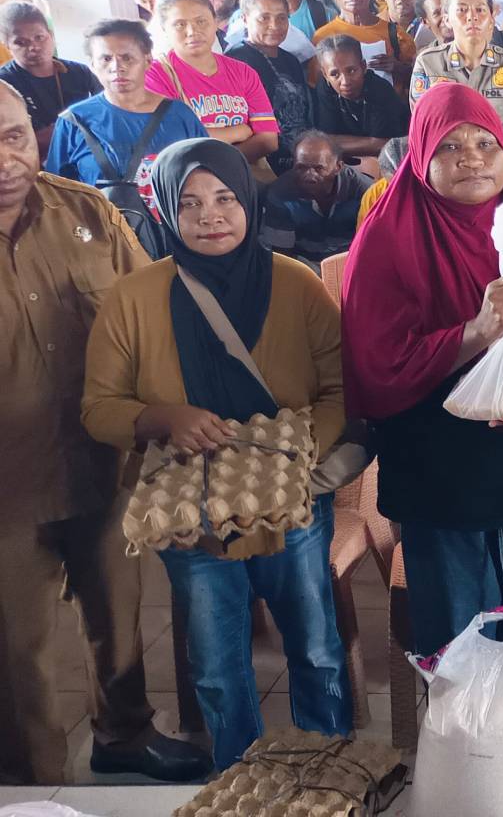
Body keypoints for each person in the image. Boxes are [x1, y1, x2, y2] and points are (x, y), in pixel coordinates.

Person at [340, 83, 503, 787]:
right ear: (420, 155)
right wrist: (476, 334)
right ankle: (475, 750)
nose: (472, 159)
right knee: (455, 610)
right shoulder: (389, 235)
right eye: (449, 147)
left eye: (484, 143)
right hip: (439, 453)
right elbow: (376, 362)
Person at [82, 137, 351, 770]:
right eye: (192, 202)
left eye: (226, 198)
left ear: (249, 201)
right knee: (217, 663)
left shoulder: (296, 285)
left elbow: (341, 388)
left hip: (293, 508)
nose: (211, 216)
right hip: (193, 515)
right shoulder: (134, 298)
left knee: (315, 647)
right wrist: (160, 418)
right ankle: (242, 776)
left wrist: (296, 460)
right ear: (167, 211)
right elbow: (98, 407)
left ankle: (334, 770)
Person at [0, 83, 212, 786]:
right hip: (7, 487)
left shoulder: (84, 212)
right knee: (17, 651)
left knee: (116, 615)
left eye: (14, 137)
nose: (5, 159)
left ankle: (124, 735)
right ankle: (32, 785)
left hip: (102, 462)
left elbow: (150, 315)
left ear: (37, 133)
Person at [46, 19, 208, 204]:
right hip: (99, 229)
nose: (117, 67)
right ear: (92, 65)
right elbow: (55, 191)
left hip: (172, 228)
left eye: (127, 58)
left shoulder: (180, 115)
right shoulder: (73, 121)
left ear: (148, 60)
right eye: (106, 59)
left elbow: (206, 175)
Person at [409, 0, 503, 180]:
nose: (472, 17)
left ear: (493, 15)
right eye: (461, 10)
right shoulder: (428, 63)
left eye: (480, 9)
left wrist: (499, 171)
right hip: (452, 178)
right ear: (446, 19)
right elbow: (422, 128)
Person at [147, 0, 280, 165]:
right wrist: (236, 132)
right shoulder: (156, 75)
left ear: (215, 22)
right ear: (164, 28)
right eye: (180, 24)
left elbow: (268, 140)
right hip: (185, 183)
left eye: (201, 21)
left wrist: (219, 165)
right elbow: (172, 141)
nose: (192, 31)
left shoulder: (243, 72)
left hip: (241, 177)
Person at [225, 0, 315, 175]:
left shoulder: (290, 60)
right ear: (245, 19)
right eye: (264, 18)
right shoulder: (236, 61)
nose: (274, 25)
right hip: (263, 167)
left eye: (281, 18)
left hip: (300, 161)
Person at [0, 2, 99, 154]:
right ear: (7, 46)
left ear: (51, 35)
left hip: (87, 155)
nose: (34, 47)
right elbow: (16, 143)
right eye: (21, 42)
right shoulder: (4, 84)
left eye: (39, 37)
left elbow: (105, 115)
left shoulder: (79, 72)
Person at [261, 130, 372, 264]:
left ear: (338, 167)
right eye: (301, 167)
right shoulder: (280, 194)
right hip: (304, 264)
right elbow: (282, 256)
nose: (309, 175)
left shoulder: (364, 190)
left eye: (319, 168)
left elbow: (374, 242)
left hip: (352, 260)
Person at [312, 0, 417, 93]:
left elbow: (417, 78)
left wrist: (398, 68)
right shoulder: (323, 36)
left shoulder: (395, 34)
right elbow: (317, 85)